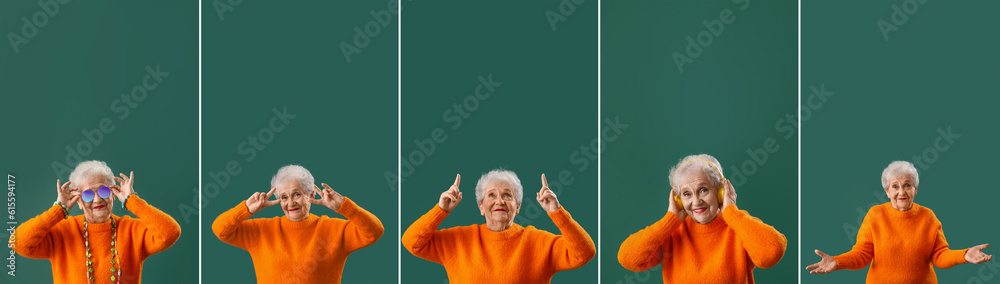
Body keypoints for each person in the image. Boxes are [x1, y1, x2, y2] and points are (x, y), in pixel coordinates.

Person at [806, 161, 992, 283]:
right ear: (887, 191)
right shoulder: (875, 215)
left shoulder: (928, 217)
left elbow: (939, 256)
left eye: (907, 185)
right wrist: (837, 262)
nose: (901, 192)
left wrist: (965, 254)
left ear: (915, 190)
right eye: (895, 186)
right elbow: (862, 255)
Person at [402, 170, 596, 283]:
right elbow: (411, 242)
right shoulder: (458, 239)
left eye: (507, 195)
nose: (499, 201)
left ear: (518, 207)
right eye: (491, 195)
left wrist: (557, 212)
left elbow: (585, 253)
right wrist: (440, 209)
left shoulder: (539, 242)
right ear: (481, 206)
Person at [618, 154, 787, 283]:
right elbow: (628, 259)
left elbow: (771, 254)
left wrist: (732, 212)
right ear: (678, 200)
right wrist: (669, 220)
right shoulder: (673, 233)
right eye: (686, 194)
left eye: (704, 190)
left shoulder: (739, 224)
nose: (696, 201)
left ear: (721, 192)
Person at [13, 160, 182, 283]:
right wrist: (58, 211)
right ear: (78, 201)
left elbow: (171, 232)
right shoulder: (63, 231)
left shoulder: (131, 230)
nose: (96, 200)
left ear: (113, 195)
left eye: (103, 191)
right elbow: (18, 242)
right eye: (87, 194)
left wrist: (132, 201)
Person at [212, 165, 384, 284]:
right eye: (284, 197)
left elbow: (375, 231)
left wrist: (345, 208)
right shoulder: (261, 230)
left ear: (310, 194)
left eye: (297, 194)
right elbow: (219, 230)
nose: (291, 203)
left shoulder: (334, 229)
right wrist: (246, 209)